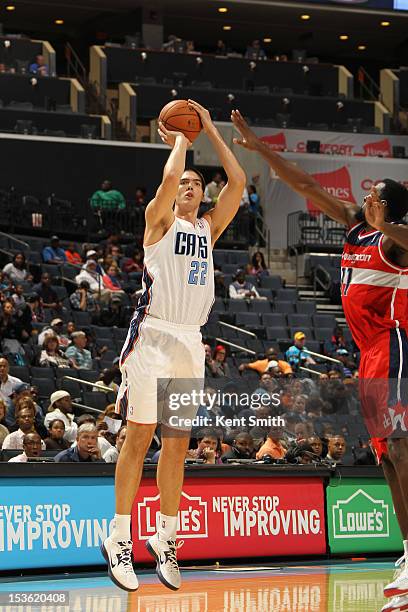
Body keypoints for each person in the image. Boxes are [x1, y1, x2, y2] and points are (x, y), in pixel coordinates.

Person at [231, 109, 408, 607]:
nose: (364, 197)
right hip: (368, 355)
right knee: (386, 461)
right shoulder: (356, 229)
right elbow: (304, 181)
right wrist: (258, 147)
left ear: (388, 208)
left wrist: (390, 226)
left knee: (400, 451)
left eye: (374, 196)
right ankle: (407, 551)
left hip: (395, 346)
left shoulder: (394, 246)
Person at [102, 99, 245, 592]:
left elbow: (240, 184)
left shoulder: (209, 228)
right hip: (153, 335)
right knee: (139, 435)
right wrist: (182, 139)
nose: (188, 185)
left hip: (189, 342)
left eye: (196, 184)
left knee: (178, 443)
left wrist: (210, 129)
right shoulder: (158, 221)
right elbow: (166, 183)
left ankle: (165, 537)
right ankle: (119, 534)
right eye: (184, 181)